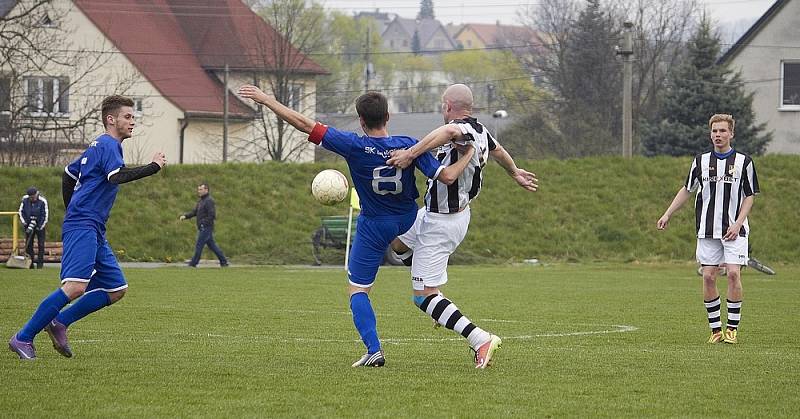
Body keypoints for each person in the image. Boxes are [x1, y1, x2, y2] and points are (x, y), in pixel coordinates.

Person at [238, 84, 475, 367]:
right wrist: (470, 152)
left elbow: (303, 123)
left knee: (358, 290)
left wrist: (266, 100)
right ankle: (429, 290)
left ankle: (374, 349)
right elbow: (443, 173)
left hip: (374, 225)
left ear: (362, 121)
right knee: (405, 248)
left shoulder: (352, 145)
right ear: (388, 117)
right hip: (408, 219)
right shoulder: (410, 145)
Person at [386, 83, 538, 369]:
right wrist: (514, 171)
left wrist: (410, 154)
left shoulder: (463, 130)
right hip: (434, 215)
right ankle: (435, 298)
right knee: (397, 243)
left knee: (421, 299)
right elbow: (500, 150)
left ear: (447, 106)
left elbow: (449, 132)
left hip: (443, 221)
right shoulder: (482, 131)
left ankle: (479, 338)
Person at [8, 95, 167, 360]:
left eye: (133, 117)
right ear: (111, 119)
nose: (132, 122)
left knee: (116, 289)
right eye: (128, 117)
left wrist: (73, 207)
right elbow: (115, 177)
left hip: (91, 225)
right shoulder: (108, 144)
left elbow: (68, 174)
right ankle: (23, 337)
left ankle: (60, 322)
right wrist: (153, 167)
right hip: (83, 224)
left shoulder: (97, 146)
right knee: (74, 287)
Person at [657, 114, 759, 345]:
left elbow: (749, 196)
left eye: (723, 131)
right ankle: (715, 330)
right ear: (710, 134)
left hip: (735, 230)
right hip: (707, 229)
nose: (718, 135)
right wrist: (667, 213)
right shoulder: (700, 161)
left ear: (731, 133)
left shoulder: (744, 162)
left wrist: (738, 223)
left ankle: (731, 328)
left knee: (733, 273)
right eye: (714, 131)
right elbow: (687, 189)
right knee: (709, 276)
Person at [180, 183, 229, 268]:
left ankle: (193, 263)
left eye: (201, 189)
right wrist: (186, 216)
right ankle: (224, 261)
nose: (199, 191)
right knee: (213, 246)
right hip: (203, 227)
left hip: (206, 227)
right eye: (198, 189)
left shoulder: (209, 201)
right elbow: (195, 212)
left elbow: (212, 215)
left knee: (199, 245)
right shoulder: (201, 201)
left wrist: (203, 223)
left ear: (206, 190)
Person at [18, 186, 49, 269]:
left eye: (34, 196)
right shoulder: (25, 201)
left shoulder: (43, 201)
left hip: (39, 226)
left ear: (37, 194)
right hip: (28, 225)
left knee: (41, 245)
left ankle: (40, 265)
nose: (33, 198)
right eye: (31, 197)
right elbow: (21, 212)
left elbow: (45, 215)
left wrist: (40, 226)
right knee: (29, 245)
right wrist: (25, 223)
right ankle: (30, 264)